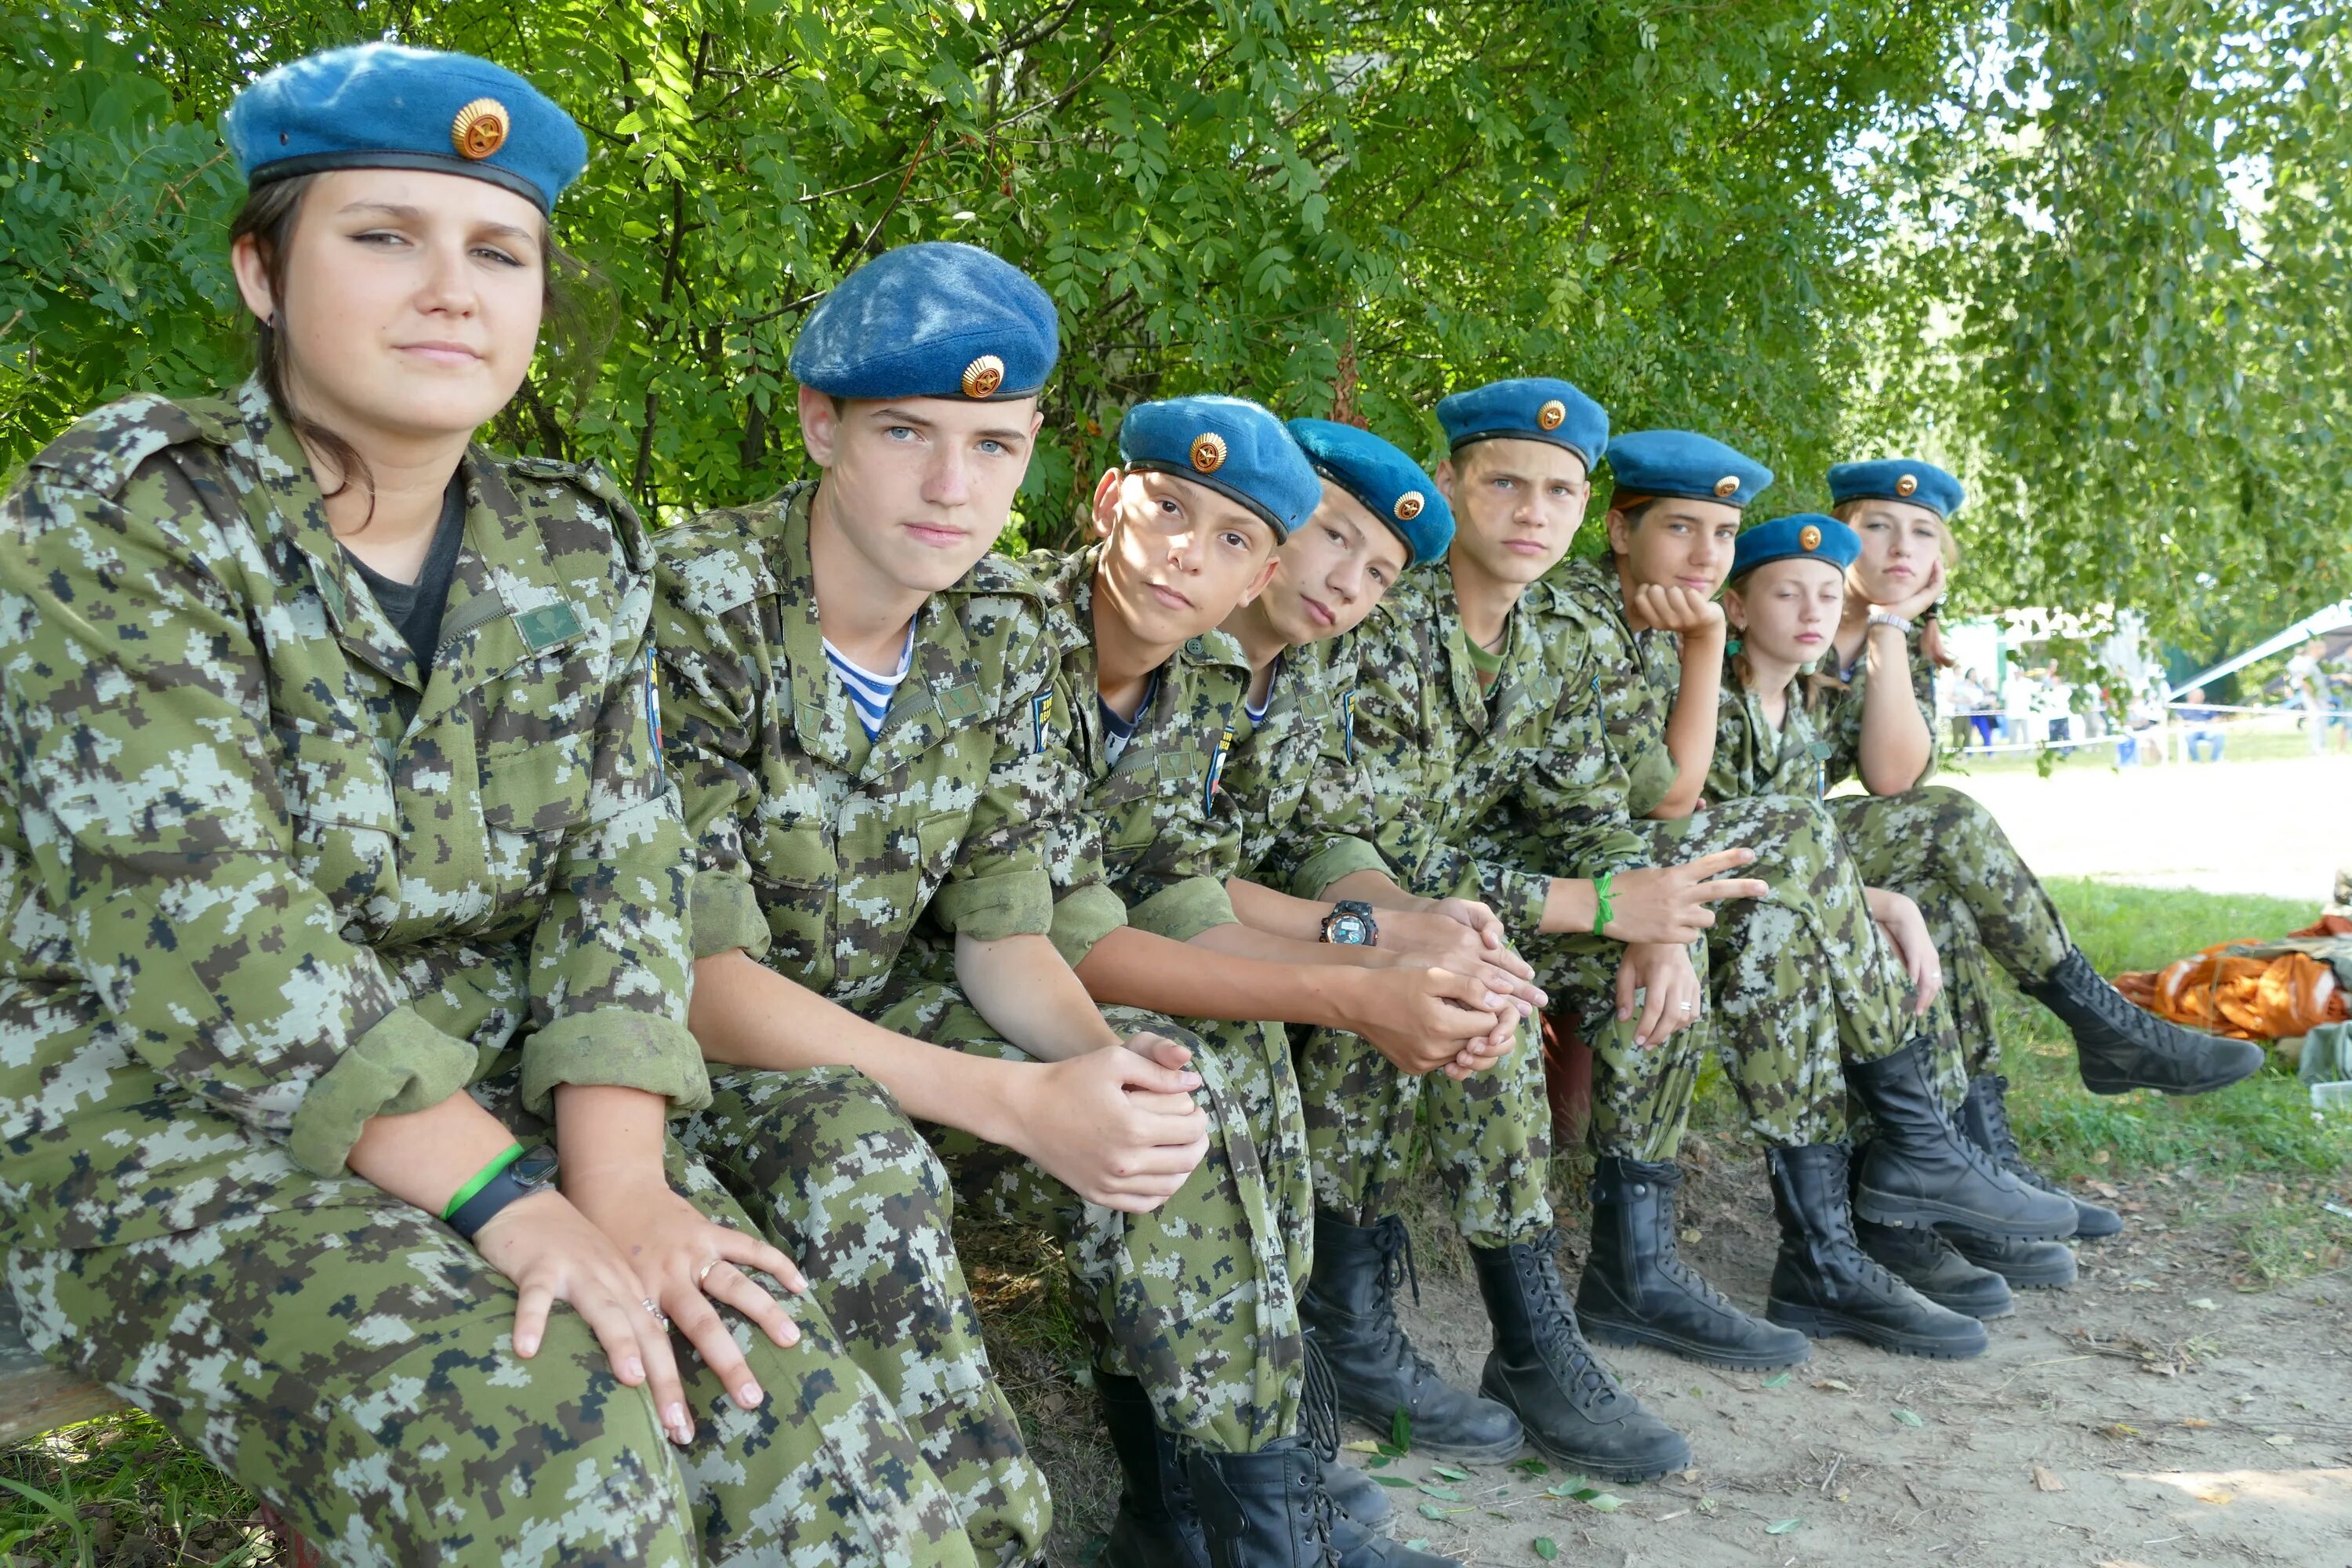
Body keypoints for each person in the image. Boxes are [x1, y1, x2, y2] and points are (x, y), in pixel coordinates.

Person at [0, 44, 976, 1566]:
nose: (451, 289)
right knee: (549, 1440)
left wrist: (628, 1190)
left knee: (827, 1468)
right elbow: (198, 926)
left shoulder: (569, 552)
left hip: (494, 1101)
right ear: (264, 270)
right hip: (160, 1125)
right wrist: (519, 1204)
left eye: (497, 251)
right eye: (383, 236)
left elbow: (621, 881)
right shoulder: (133, 512)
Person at [1534, 428, 2073, 1371]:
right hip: (1539, 888)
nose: (1705, 555)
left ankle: (1814, 1252)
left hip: (1617, 871)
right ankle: (1914, 1143)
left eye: (1722, 532)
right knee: (1791, 833)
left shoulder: (1657, 621)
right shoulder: (1596, 618)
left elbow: (1673, 806)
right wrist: (1706, 640)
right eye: (1683, 530)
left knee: (1785, 918)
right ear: (1620, 531)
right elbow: (1666, 803)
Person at [1817, 460, 2265, 1278]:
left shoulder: (1896, 643)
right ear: (1839, 532)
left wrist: (1890, 631)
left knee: (1937, 902)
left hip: (1812, 848)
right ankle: (2104, 1025)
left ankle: (1978, 1164)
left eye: (1923, 532)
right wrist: (1882, 626)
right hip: (1748, 845)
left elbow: (1890, 778)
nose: (1900, 545)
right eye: (1877, 524)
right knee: (1949, 819)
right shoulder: (1790, 603)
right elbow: (1909, 803)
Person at [1210, 419, 1547, 1468]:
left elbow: (1321, 838)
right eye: (1331, 535)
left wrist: (1403, 918)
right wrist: (1363, 940)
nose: (1346, 580)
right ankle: (1263, 1421)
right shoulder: (1178, 644)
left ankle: (1506, 1325)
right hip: (1101, 948)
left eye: (1378, 570)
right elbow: (1146, 876)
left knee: (1453, 968)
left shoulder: (1303, 675)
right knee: (1343, 999)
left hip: (1218, 924)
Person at [2287, 638, 2328, 755]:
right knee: (2317, 722)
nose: (2325, 650)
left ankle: (2321, 748)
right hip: (2314, 698)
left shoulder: (2314, 663)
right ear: (2314, 649)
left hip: (2319, 697)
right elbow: (2303, 680)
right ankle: (2318, 749)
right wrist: (2314, 697)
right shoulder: (2307, 663)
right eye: (2323, 647)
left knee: (2322, 723)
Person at [2180, 684, 2226, 760]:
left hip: (2206, 730)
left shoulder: (2207, 706)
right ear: (2191, 696)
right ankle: (2196, 760)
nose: (2202, 697)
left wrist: (2208, 723)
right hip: (2191, 730)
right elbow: (2179, 721)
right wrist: (2192, 724)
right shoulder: (2183, 707)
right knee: (2189, 737)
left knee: (2219, 735)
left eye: (2202, 695)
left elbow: (2217, 718)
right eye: (2199, 695)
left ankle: (2215, 760)